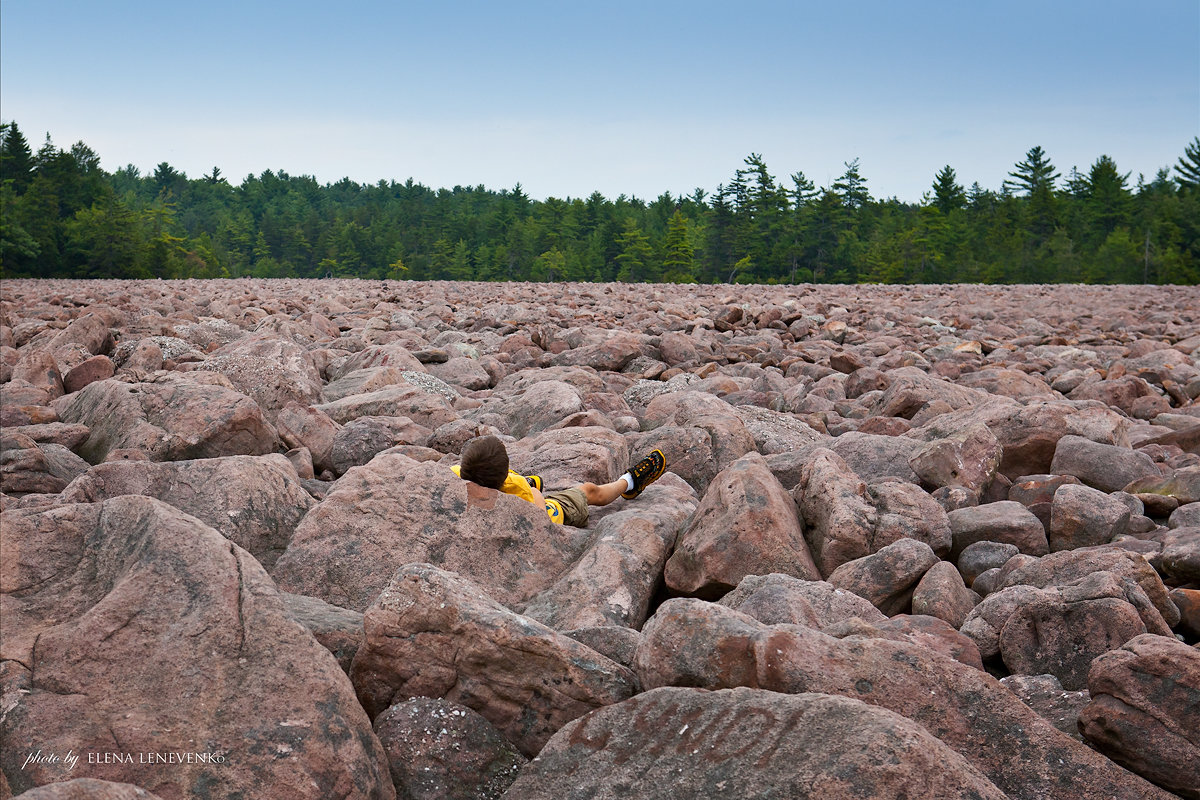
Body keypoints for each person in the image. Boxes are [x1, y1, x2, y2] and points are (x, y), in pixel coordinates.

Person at [452, 435, 666, 527]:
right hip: (554, 510)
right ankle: (629, 482)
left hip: (498, 483)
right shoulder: (524, 495)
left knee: (516, 481)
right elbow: (541, 524)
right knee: (590, 491)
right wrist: (534, 493)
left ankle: (526, 480)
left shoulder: (455, 473)